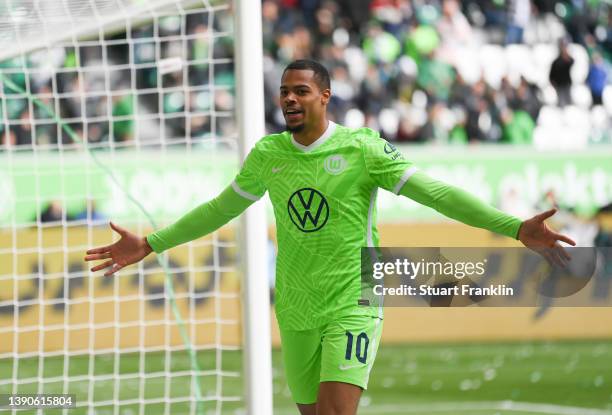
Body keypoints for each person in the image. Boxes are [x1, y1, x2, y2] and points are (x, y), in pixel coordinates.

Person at [85, 59, 575, 415]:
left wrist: (513, 227)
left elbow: (435, 193)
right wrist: (152, 243)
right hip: (296, 305)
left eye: (300, 90)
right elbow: (220, 209)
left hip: (352, 299)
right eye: (283, 91)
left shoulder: (362, 149)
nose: (289, 99)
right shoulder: (268, 155)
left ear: (325, 97)